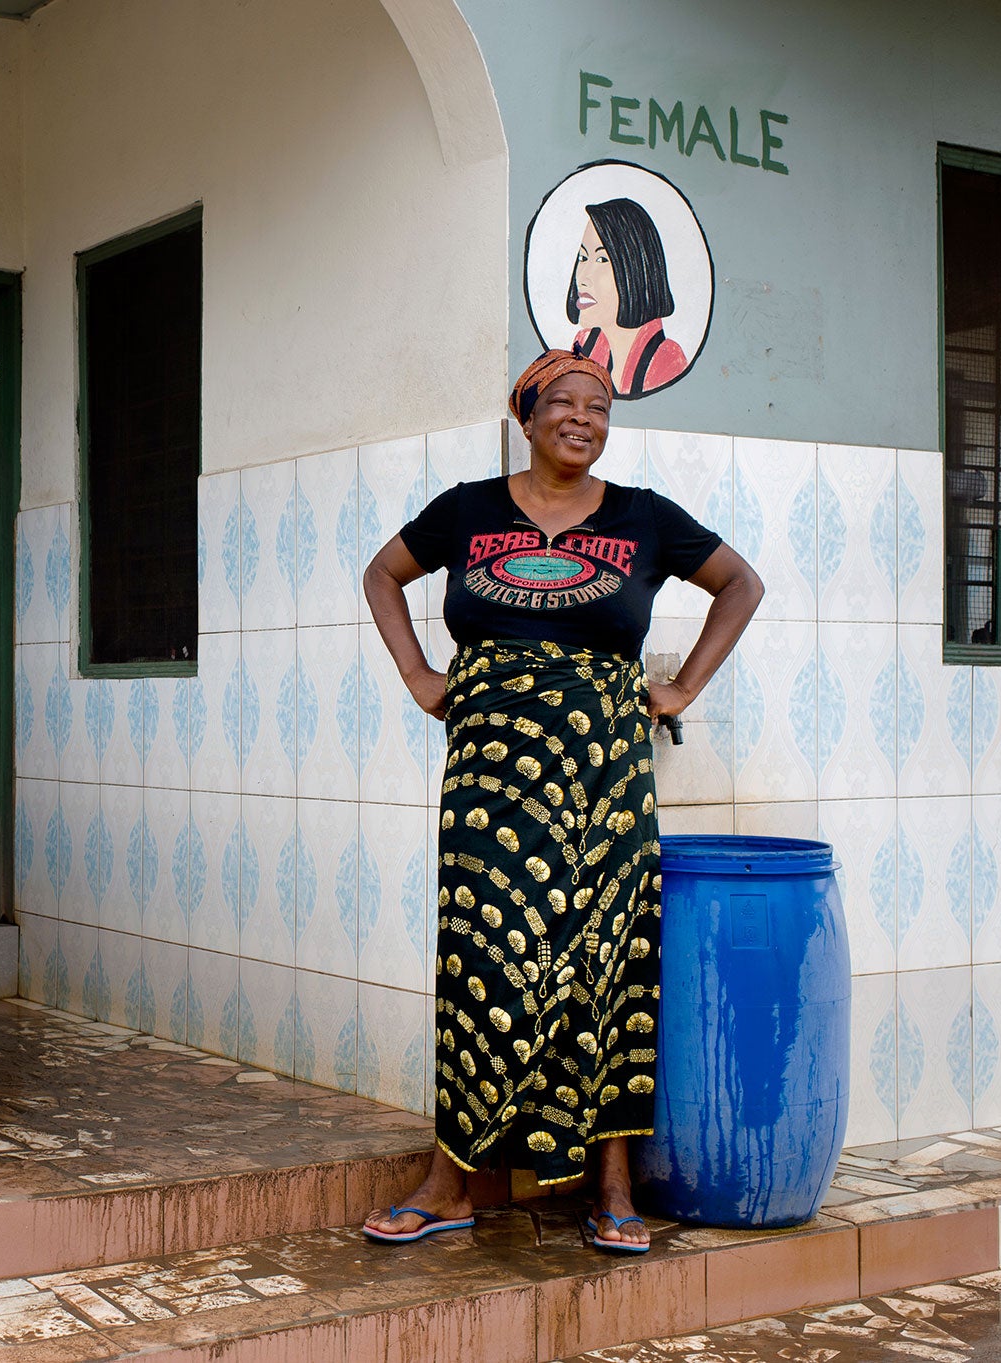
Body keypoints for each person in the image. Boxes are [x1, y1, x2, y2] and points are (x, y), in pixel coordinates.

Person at [358, 350, 762, 1253]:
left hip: (605, 781)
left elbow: (742, 584)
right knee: (481, 963)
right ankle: (453, 1178)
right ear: (527, 415)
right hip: (489, 782)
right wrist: (421, 675)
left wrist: (682, 686)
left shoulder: (644, 518)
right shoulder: (467, 509)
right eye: (565, 402)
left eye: (601, 405)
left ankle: (611, 1185)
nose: (583, 417)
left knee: (609, 963)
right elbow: (382, 574)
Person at [568, 198, 688, 398]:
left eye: (601, 259)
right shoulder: (584, 345)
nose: (583, 277)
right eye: (582, 258)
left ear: (634, 270)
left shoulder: (666, 360)